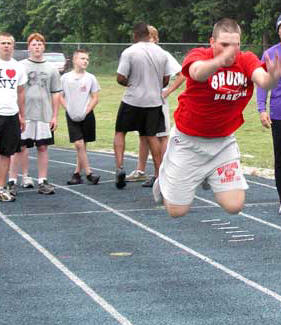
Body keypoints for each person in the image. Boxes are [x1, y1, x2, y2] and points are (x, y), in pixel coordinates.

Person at [153, 18, 281, 217]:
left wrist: (273, 77)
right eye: (224, 45)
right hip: (188, 141)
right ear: (212, 42)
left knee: (234, 205)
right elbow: (197, 73)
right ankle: (164, 178)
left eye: (235, 45)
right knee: (176, 211)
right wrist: (219, 61)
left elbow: (263, 81)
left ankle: (207, 174)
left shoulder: (246, 59)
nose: (231, 50)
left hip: (222, 142)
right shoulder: (199, 55)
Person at [126, 25, 185, 187]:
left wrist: (167, 91)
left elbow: (182, 74)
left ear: (154, 39)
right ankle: (140, 171)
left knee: (160, 136)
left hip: (157, 102)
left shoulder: (162, 54)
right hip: (141, 102)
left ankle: (161, 174)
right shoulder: (138, 54)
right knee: (143, 135)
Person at [114, 22, 170, 189]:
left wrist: (131, 83)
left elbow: (120, 77)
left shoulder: (129, 52)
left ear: (135, 35)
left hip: (132, 100)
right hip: (153, 101)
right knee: (152, 136)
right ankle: (159, 173)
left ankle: (119, 167)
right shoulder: (161, 52)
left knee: (120, 131)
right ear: (149, 35)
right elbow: (166, 79)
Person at [8, 33, 61, 195]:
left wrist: (55, 116)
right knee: (20, 147)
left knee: (43, 147)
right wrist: (18, 113)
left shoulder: (51, 69)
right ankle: (12, 180)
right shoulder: (20, 66)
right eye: (34, 44)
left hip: (44, 114)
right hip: (25, 113)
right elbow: (15, 90)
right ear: (28, 47)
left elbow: (56, 93)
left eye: (40, 44)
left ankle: (42, 181)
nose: (37, 47)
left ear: (44, 47)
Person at [60, 49, 100, 185]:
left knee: (82, 145)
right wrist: (68, 108)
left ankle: (77, 173)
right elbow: (60, 96)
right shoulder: (65, 78)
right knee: (78, 143)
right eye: (82, 58)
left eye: (87, 59)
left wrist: (88, 109)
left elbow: (95, 97)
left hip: (87, 115)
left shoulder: (91, 78)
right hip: (72, 115)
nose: (85, 61)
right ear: (75, 60)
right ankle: (89, 173)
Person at [257, 15, 281, 214]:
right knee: (280, 158)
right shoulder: (270, 54)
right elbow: (262, 83)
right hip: (278, 113)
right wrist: (261, 109)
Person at [0, 32, 27, 202]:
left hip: (11, 114)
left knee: (6, 153)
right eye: (3, 43)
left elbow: (21, 92)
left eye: (9, 43)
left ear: (13, 46)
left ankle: (1, 188)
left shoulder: (18, 67)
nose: (6, 46)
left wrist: (22, 115)